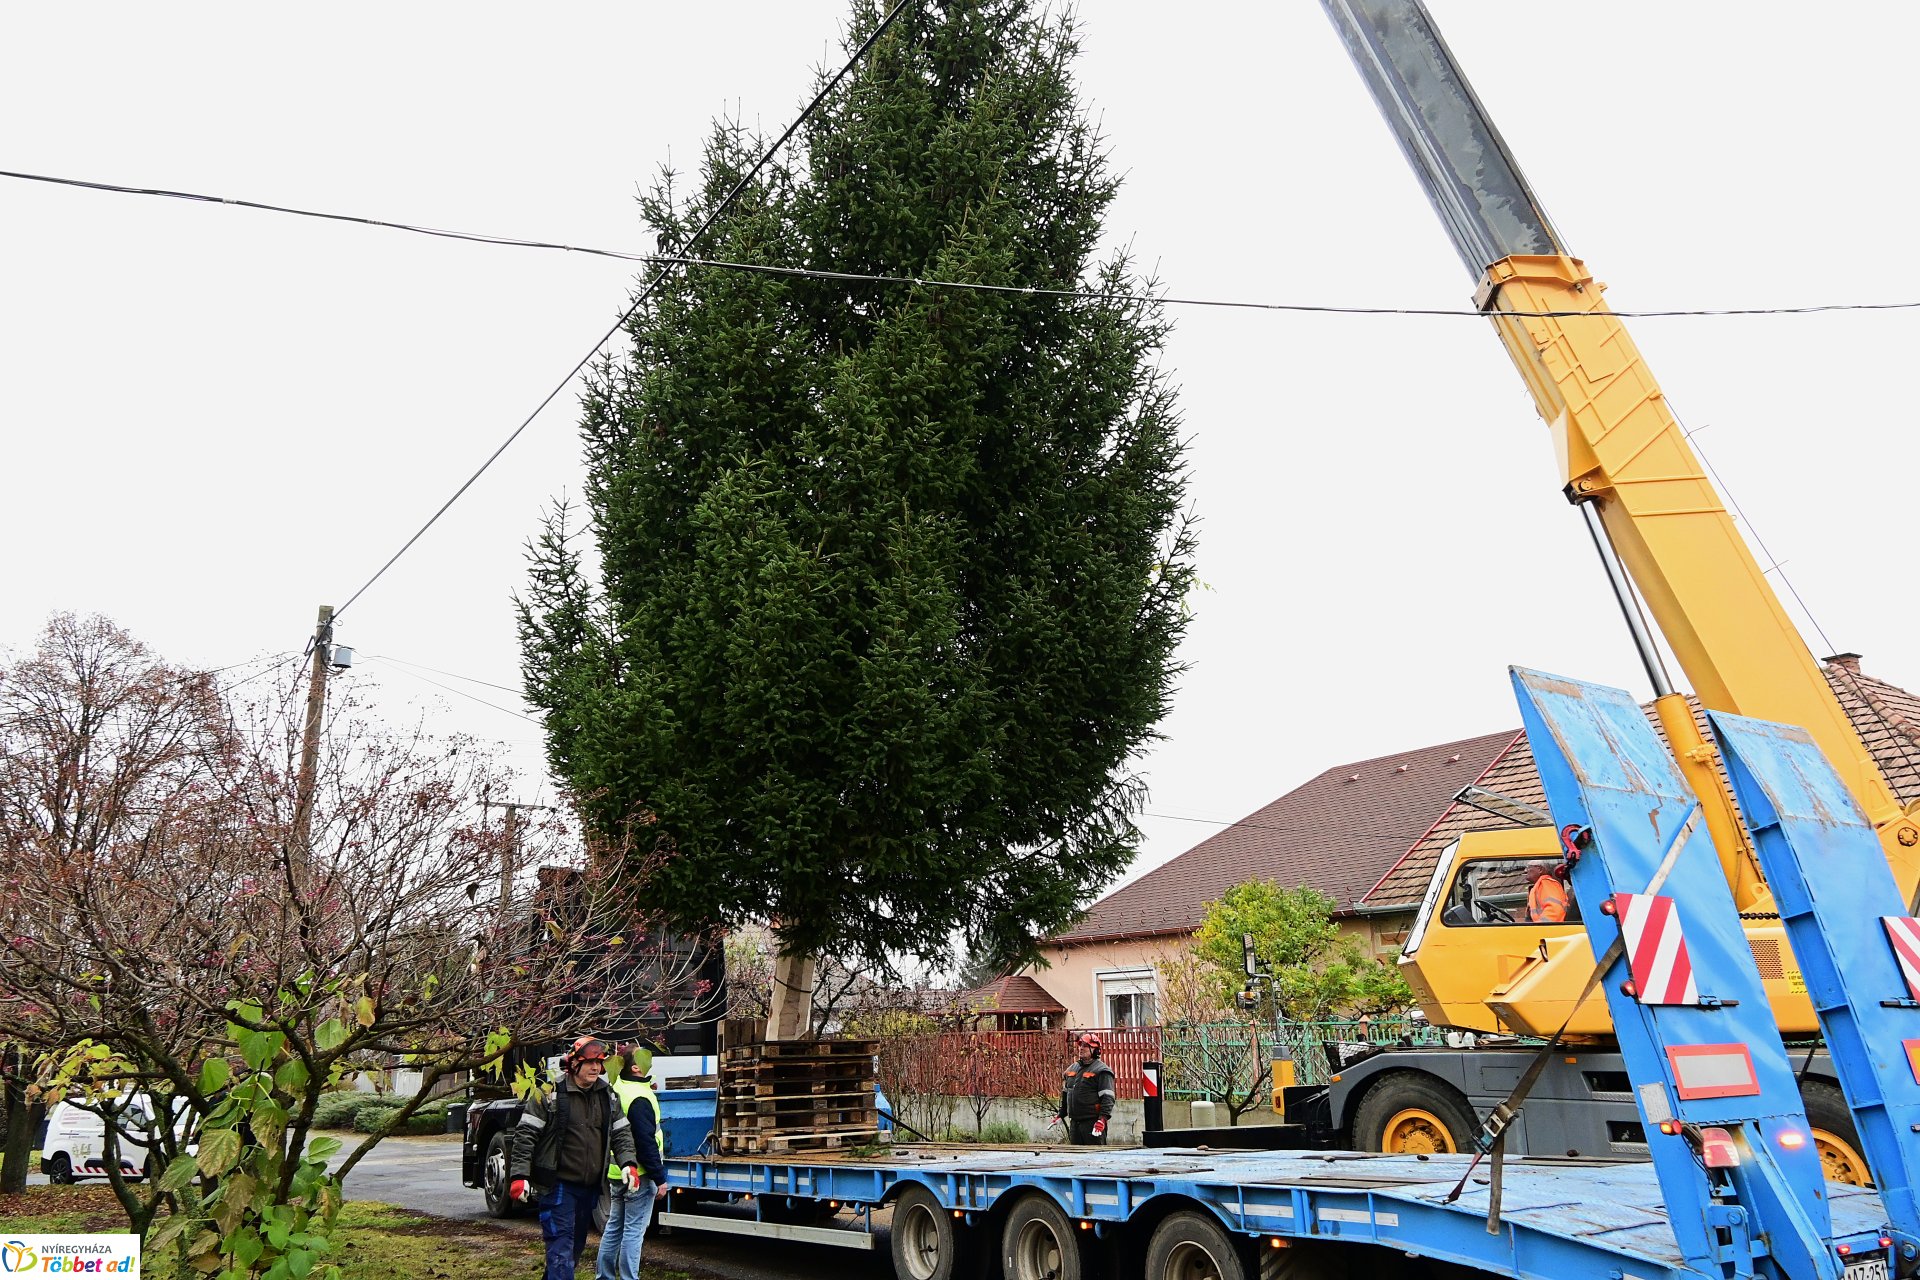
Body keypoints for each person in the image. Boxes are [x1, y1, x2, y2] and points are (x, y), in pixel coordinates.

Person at [507, 1035, 642, 1280]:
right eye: (589, 1062)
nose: (595, 1068)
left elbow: (622, 1133)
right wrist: (519, 1175)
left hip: (589, 1188)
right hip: (558, 1186)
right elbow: (525, 1136)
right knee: (561, 1248)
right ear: (573, 1064)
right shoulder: (550, 1095)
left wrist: (628, 1163)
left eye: (599, 1062)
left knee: (573, 1249)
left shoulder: (607, 1096)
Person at [598, 1042, 669, 1280]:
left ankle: (605, 1276)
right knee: (633, 1231)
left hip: (618, 1173)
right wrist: (659, 1178)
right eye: (645, 1056)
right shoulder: (639, 1098)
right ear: (637, 1068)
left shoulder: (618, 1087)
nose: (651, 1059)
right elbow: (645, 1143)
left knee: (614, 1227)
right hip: (639, 1174)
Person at [1051, 1032, 1115, 1145]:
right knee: (1077, 1158)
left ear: (1095, 1050)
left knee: (1095, 1158)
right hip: (1075, 1124)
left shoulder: (1102, 1071)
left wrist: (1102, 1120)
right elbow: (1066, 1094)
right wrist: (1061, 1114)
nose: (1081, 1048)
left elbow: (1108, 1098)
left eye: (1085, 1046)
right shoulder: (1073, 1068)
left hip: (1093, 1123)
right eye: (1081, 1045)